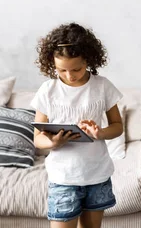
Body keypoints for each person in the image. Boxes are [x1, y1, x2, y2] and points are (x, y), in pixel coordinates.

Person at [31, 22, 124, 228]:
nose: (70, 75)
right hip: (63, 177)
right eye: (61, 70)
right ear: (51, 64)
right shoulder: (48, 90)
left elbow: (117, 126)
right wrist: (53, 142)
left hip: (97, 175)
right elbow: (37, 138)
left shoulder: (102, 86)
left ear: (88, 60)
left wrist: (100, 133)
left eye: (77, 69)